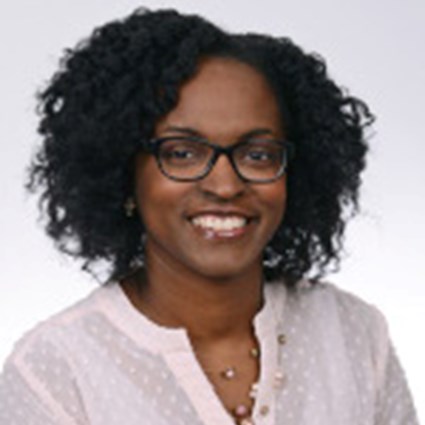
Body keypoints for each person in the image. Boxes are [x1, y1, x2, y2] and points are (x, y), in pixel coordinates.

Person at [0, 7, 418, 425]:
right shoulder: (55, 373)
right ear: (124, 171)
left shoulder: (354, 336)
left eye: (257, 155)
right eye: (182, 153)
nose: (225, 185)